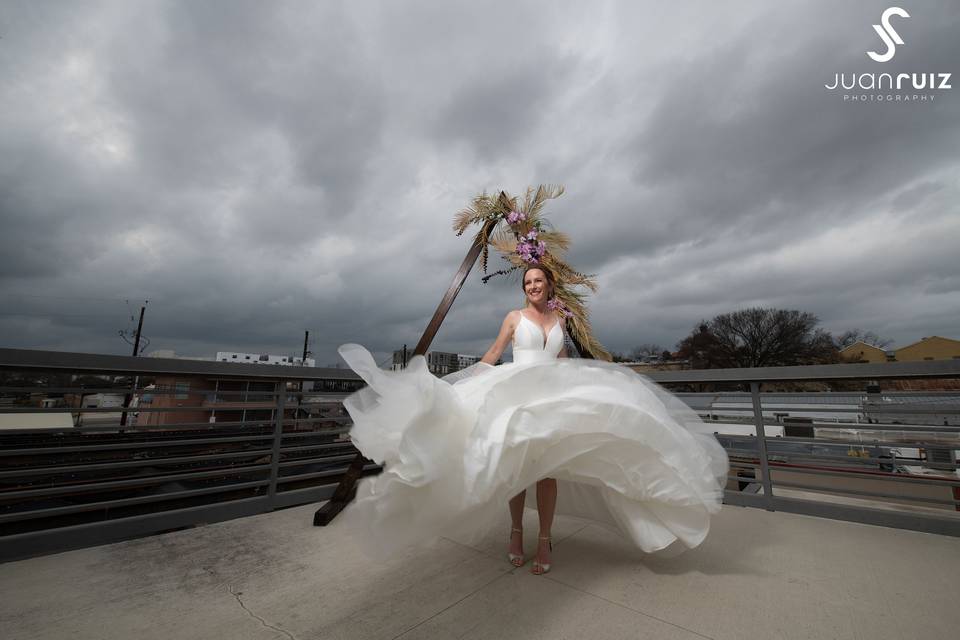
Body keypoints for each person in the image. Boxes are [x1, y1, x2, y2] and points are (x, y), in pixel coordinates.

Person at [335, 264, 729, 574]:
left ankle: (544, 539)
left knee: (547, 470)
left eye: (538, 280)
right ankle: (516, 531)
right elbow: (493, 353)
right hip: (516, 393)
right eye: (528, 281)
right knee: (514, 465)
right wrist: (464, 386)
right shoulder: (513, 317)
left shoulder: (561, 321)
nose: (533, 286)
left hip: (550, 394)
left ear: (550, 286)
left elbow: (563, 362)